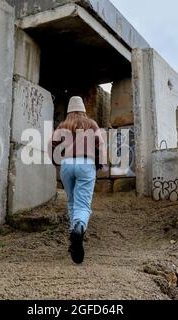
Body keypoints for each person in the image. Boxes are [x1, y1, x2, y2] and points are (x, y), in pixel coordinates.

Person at [49, 96, 106, 264]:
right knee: (83, 204)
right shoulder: (91, 124)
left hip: (66, 165)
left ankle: (73, 239)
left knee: (72, 202)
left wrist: (55, 160)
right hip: (85, 164)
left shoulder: (63, 125)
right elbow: (100, 145)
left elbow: (51, 144)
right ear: (83, 109)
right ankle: (79, 228)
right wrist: (99, 162)